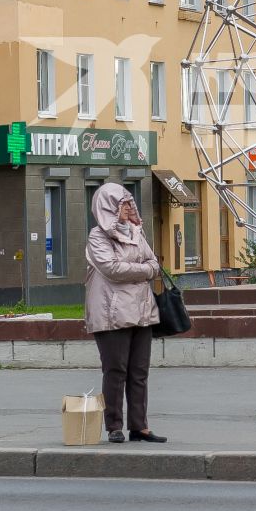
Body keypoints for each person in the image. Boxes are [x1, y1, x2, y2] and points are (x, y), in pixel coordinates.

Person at [84, 182, 165, 444]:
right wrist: (143, 271)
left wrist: (141, 268)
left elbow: (155, 263)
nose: (130, 208)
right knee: (116, 371)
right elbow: (112, 269)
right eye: (124, 203)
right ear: (109, 207)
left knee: (139, 371)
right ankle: (114, 426)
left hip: (141, 311)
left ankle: (139, 426)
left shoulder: (136, 232)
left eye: (131, 203)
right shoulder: (98, 237)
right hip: (112, 313)